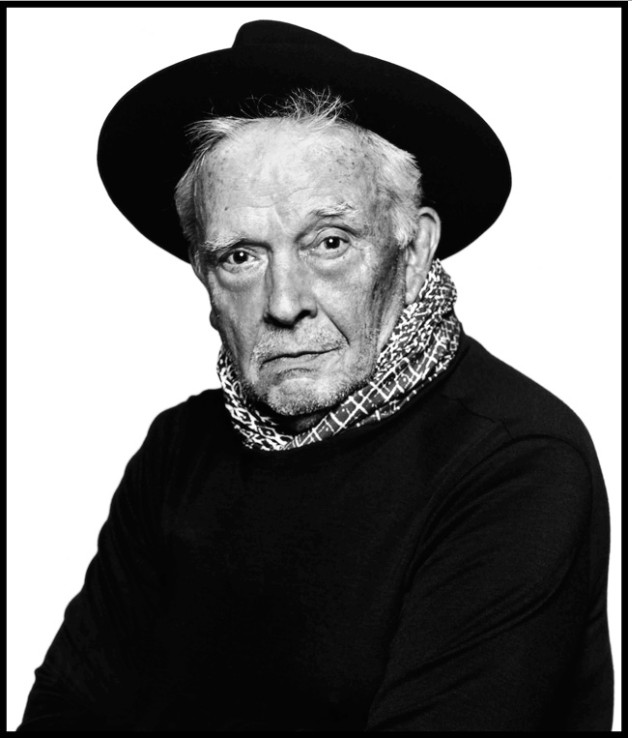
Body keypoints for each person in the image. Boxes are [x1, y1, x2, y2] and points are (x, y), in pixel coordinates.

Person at [18, 20, 613, 731]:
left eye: (329, 243)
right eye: (242, 256)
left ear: (412, 251)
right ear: (205, 277)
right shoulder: (179, 451)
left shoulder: (516, 462)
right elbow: (66, 712)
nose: (284, 302)